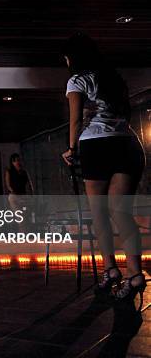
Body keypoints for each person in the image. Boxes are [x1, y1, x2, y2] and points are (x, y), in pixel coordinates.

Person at [61, 33, 146, 308]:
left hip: (96, 147)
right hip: (127, 143)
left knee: (99, 213)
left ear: (72, 58)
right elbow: (124, 115)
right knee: (122, 213)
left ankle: (110, 270)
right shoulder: (114, 78)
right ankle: (135, 274)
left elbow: (74, 121)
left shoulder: (77, 80)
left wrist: (71, 151)